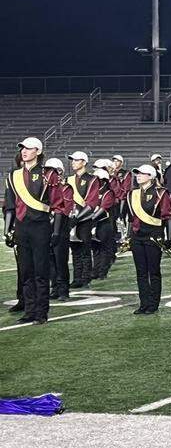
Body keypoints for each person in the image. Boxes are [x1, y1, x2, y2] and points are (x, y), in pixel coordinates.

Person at [4, 138, 63, 324]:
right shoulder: (14, 175)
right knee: (26, 271)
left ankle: (41, 313)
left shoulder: (48, 174)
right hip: (22, 227)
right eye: (22, 148)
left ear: (37, 151)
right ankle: (29, 311)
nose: (24, 151)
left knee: (41, 271)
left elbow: (59, 206)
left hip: (41, 226)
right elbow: (10, 205)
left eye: (28, 148)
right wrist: (8, 230)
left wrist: (55, 231)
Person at [124, 164, 171, 315]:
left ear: (151, 176)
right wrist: (128, 236)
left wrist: (169, 239)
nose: (138, 175)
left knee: (153, 271)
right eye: (137, 173)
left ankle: (153, 304)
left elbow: (168, 216)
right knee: (140, 272)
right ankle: (143, 303)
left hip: (153, 236)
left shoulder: (161, 193)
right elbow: (131, 219)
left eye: (142, 173)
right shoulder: (131, 194)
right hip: (137, 237)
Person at [66, 151, 100, 289]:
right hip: (70, 218)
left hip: (84, 219)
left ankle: (86, 277)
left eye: (76, 160)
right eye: (72, 160)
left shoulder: (93, 179)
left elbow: (91, 202)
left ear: (84, 162)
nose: (73, 162)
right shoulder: (68, 180)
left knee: (85, 250)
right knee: (74, 250)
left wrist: (77, 218)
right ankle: (77, 277)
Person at [43, 158, 74, 301]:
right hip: (46, 228)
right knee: (49, 261)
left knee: (60, 261)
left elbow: (64, 210)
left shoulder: (66, 188)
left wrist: (55, 230)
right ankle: (54, 288)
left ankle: (63, 290)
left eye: (51, 170)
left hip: (60, 229)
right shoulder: (43, 189)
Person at [90, 168, 118, 280]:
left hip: (104, 224)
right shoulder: (93, 192)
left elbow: (103, 208)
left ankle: (102, 272)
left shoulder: (108, 193)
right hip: (94, 224)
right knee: (95, 249)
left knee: (105, 249)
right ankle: (95, 271)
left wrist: (90, 218)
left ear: (103, 181)